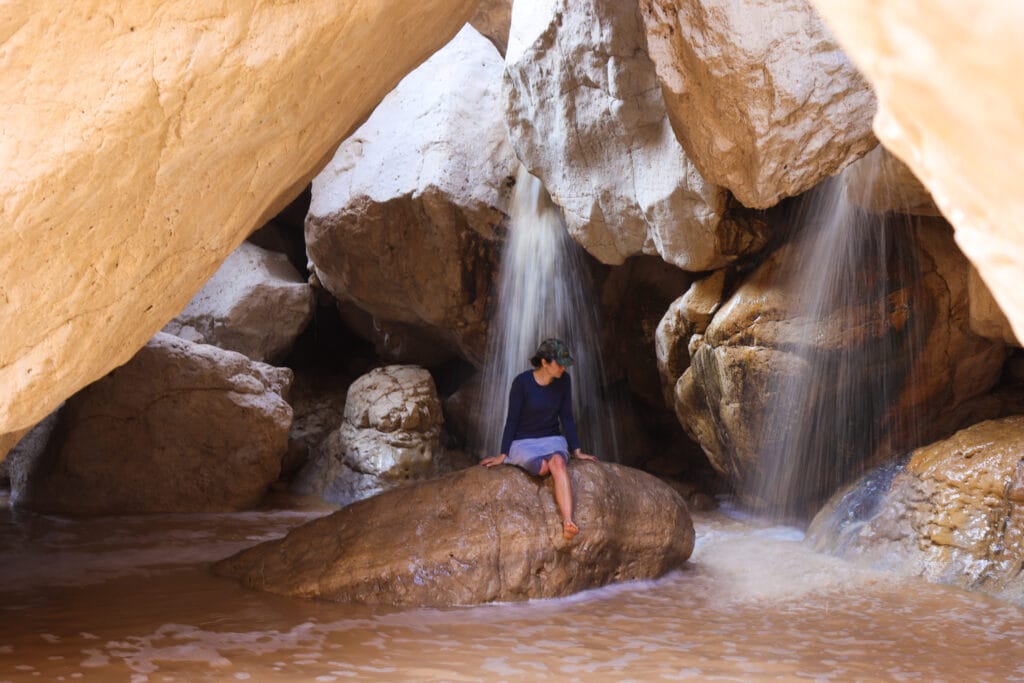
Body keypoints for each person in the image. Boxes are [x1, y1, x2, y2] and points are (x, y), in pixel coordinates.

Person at [480, 338, 598, 540]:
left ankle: (568, 522)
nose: (563, 368)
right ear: (544, 362)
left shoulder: (564, 381)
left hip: (552, 438)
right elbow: (512, 420)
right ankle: (517, 458)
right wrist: (503, 454)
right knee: (543, 468)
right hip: (523, 441)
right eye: (559, 364)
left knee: (558, 463)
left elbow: (566, 417)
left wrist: (577, 450)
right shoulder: (522, 383)